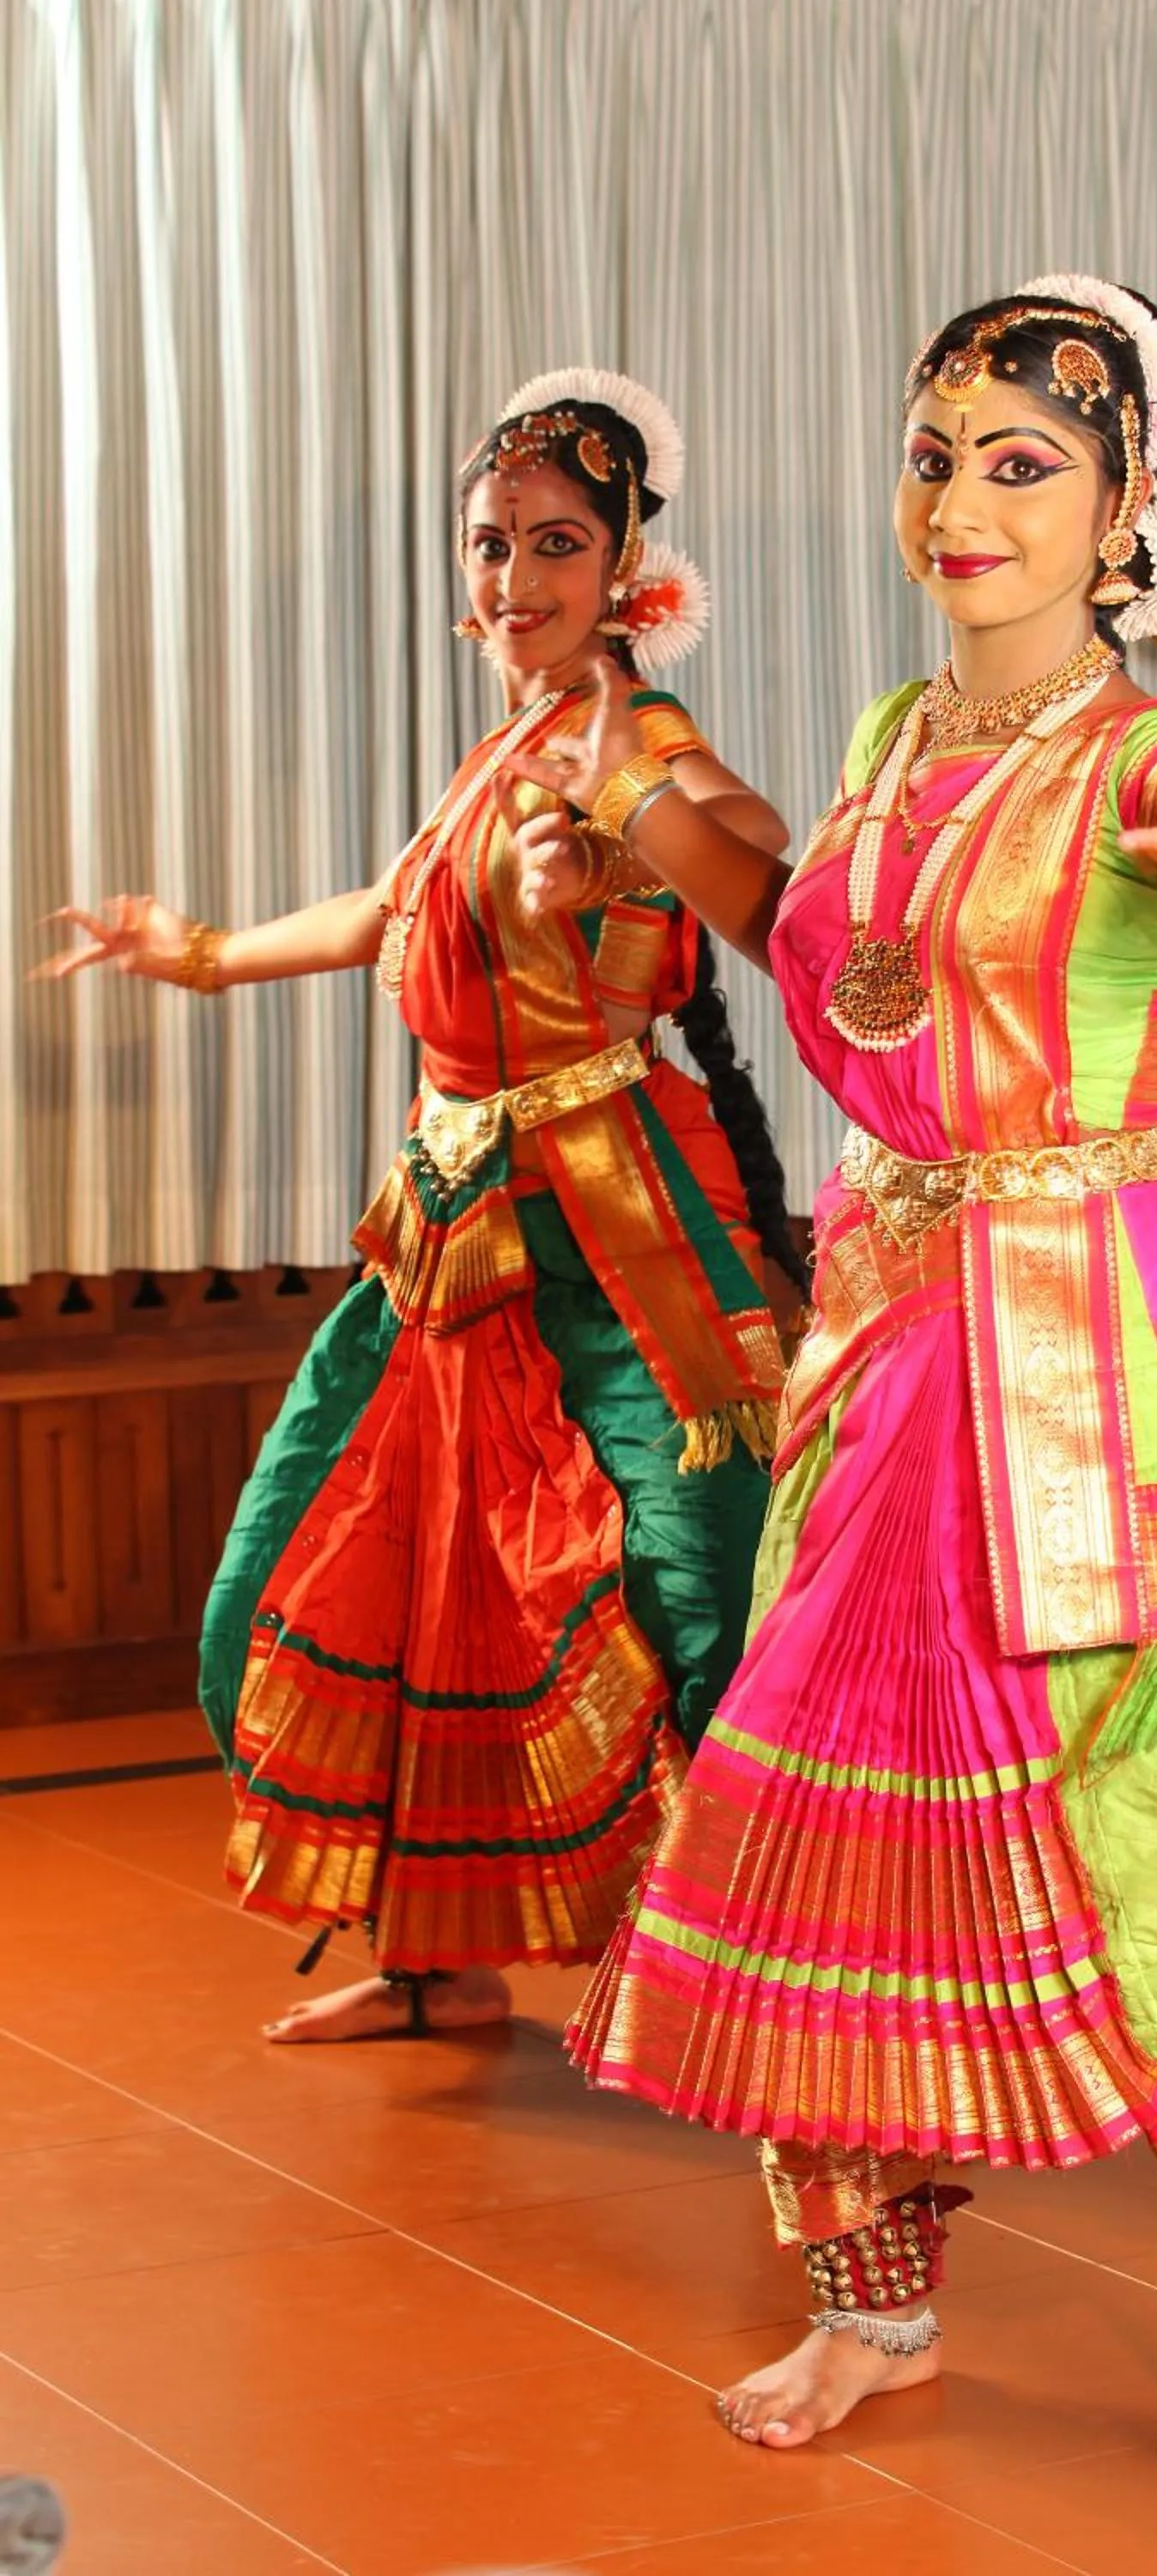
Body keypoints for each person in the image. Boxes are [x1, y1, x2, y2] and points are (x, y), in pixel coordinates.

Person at [540, 284, 1157, 2536]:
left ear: (1121, 519)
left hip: (1111, 1389)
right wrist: (653, 817)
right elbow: (825, 950)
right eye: (934, 454)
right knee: (837, 1831)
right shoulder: (895, 739)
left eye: (1020, 465)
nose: (961, 500)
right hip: (883, 1362)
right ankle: (870, 2306)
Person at [39, 367, 804, 2044]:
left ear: (628, 573)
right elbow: (392, 908)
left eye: (554, 543)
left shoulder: (631, 738)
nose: (513, 578)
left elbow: (751, 837)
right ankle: (435, 1955)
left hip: (603, 1224)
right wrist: (203, 955)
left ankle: (764, 1973)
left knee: (691, 1583)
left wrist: (622, 852)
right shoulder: (503, 746)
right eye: (489, 544)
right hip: (449, 1219)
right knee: (344, 1565)